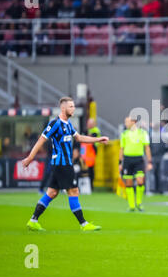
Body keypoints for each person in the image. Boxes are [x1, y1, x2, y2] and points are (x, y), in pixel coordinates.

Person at [22, 97, 109, 231]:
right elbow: (41, 140)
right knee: (73, 191)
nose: (73, 109)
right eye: (71, 106)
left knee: (52, 192)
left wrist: (98, 139)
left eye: (74, 106)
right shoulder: (55, 123)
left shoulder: (68, 124)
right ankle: (84, 224)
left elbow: (79, 137)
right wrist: (29, 158)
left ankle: (33, 220)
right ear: (63, 108)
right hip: (62, 164)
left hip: (63, 164)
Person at [119, 116, 153, 212]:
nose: (125, 123)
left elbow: (147, 148)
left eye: (127, 121)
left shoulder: (143, 133)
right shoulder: (124, 134)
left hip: (139, 160)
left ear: (133, 122)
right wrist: (120, 162)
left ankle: (139, 203)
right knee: (129, 183)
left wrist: (150, 162)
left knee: (140, 181)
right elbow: (121, 149)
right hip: (127, 160)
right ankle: (131, 205)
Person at [81, 118, 101, 190]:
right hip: (84, 152)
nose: (89, 125)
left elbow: (91, 137)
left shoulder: (95, 130)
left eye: (90, 124)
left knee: (90, 169)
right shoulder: (87, 130)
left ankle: (90, 186)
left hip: (92, 152)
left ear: (93, 124)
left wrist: (87, 136)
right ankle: (84, 186)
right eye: (88, 123)